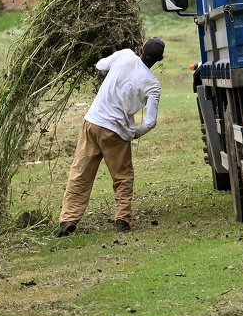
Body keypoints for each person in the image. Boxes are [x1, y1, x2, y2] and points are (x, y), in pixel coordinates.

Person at [55, 37, 165, 237]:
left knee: (80, 173)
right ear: (160, 59)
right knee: (122, 177)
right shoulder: (153, 84)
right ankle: (122, 220)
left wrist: (111, 56)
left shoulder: (124, 55)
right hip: (116, 132)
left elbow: (99, 65)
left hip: (92, 123)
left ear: (139, 49)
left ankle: (68, 219)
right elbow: (150, 122)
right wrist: (133, 133)